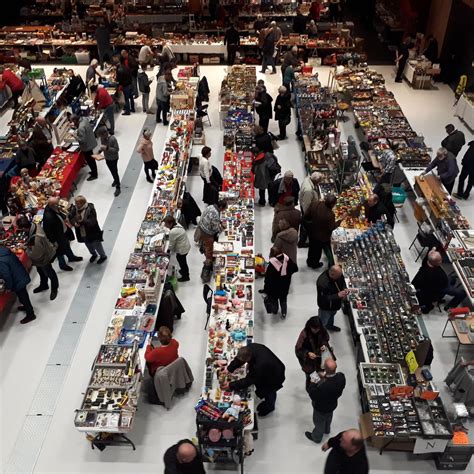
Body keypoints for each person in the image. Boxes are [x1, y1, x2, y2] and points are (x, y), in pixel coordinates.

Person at [225, 343, 286, 416]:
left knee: (269, 392)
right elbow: (240, 359)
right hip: (270, 365)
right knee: (265, 389)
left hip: (275, 376)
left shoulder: (258, 366)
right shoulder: (250, 347)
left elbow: (249, 380)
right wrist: (229, 369)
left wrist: (231, 385)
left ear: (249, 358)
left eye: (246, 361)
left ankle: (270, 407)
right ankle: (268, 403)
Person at [17, 215, 59, 301]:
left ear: (25, 228)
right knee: (41, 271)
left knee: (49, 273)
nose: (21, 231)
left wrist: (25, 249)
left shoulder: (36, 238)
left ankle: (54, 288)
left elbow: (36, 255)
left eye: (21, 229)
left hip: (43, 258)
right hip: (42, 252)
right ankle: (44, 285)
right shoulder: (34, 225)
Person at [305, 358, 346, 443]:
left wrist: (313, 383)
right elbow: (333, 379)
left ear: (325, 369)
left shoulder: (323, 387)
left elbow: (313, 395)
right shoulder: (341, 377)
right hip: (332, 405)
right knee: (328, 417)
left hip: (321, 408)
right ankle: (327, 430)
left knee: (319, 422)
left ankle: (316, 437)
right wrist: (326, 377)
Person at [43, 197, 83, 272]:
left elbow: (59, 213)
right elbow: (48, 231)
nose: (58, 205)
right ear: (52, 205)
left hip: (62, 232)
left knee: (67, 245)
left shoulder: (52, 208)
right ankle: (62, 265)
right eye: (56, 204)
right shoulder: (49, 217)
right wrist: (54, 241)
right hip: (57, 236)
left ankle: (71, 257)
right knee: (59, 251)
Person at [0, 246, 36, 324]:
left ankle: (31, 314)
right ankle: (26, 307)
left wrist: (8, 287)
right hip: (20, 274)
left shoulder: (1, 260)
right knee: (22, 295)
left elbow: (7, 275)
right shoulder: (5, 252)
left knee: (23, 296)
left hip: (17, 280)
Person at [261, 245, 298, 319]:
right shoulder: (287, 259)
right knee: (283, 300)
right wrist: (288, 274)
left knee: (274, 300)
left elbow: (268, 279)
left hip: (274, 288)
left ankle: (275, 311)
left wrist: (266, 289)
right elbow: (295, 268)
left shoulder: (272, 265)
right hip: (285, 286)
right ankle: (284, 313)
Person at [68, 195, 107, 264]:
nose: (76, 204)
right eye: (76, 203)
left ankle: (103, 256)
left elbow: (93, 221)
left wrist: (81, 222)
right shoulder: (75, 208)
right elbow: (71, 216)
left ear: (82, 203)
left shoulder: (90, 209)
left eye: (77, 203)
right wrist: (74, 222)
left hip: (92, 231)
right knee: (88, 244)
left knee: (96, 244)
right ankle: (93, 254)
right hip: (83, 232)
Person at [305, 194, 340, 268]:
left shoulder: (315, 204)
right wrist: (339, 221)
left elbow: (306, 215)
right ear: (331, 204)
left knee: (311, 248)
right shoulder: (330, 214)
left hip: (311, 231)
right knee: (317, 251)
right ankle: (315, 264)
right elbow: (331, 227)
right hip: (321, 236)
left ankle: (309, 261)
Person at [197, 200, 227, 282]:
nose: (223, 211)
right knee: (209, 252)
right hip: (207, 234)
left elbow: (209, 218)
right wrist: (223, 227)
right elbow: (215, 230)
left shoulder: (210, 206)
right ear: (221, 207)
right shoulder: (216, 214)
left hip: (202, 229)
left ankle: (208, 257)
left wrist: (219, 222)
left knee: (208, 248)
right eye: (223, 210)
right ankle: (207, 269)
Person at [295, 316, 330, 382]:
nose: (315, 331)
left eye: (317, 329)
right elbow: (298, 349)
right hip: (309, 363)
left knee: (321, 377)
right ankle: (311, 389)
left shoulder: (322, 330)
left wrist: (324, 345)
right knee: (311, 379)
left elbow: (326, 338)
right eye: (313, 328)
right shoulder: (304, 334)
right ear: (309, 326)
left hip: (320, 359)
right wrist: (307, 353)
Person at [316, 265, 348, 331]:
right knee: (323, 322)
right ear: (332, 274)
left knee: (332, 315)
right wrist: (337, 295)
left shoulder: (337, 275)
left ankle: (330, 326)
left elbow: (342, 281)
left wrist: (344, 288)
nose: (340, 277)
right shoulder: (322, 283)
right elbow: (323, 299)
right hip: (326, 307)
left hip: (334, 304)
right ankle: (320, 333)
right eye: (338, 276)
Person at [299, 172, 323, 247]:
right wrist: (310, 215)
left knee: (305, 225)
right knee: (305, 226)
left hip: (307, 206)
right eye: (319, 181)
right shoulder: (308, 190)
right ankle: (301, 242)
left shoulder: (308, 179)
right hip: (307, 210)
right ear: (316, 181)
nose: (320, 182)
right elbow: (307, 205)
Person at [71, 114, 98, 181]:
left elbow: (82, 140)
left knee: (90, 160)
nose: (72, 122)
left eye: (73, 121)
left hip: (87, 146)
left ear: (75, 120)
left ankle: (94, 175)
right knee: (92, 159)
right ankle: (94, 171)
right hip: (91, 141)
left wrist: (74, 136)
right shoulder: (84, 119)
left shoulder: (81, 127)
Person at [164, 215, 191, 282]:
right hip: (185, 246)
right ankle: (183, 271)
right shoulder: (178, 225)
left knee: (182, 262)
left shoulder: (173, 232)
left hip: (182, 250)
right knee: (181, 260)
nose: (165, 225)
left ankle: (186, 276)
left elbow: (172, 244)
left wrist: (168, 251)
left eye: (166, 224)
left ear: (170, 223)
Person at [97, 127, 121, 197]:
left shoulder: (113, 139)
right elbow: (102, 147)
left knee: (114, 171)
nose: (101, 138)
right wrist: (99, 151)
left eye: (101, 135)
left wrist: (107, 148)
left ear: (105, 133)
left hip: (114, 158)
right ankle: (115, 180)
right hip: (107, 158)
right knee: (111, 170)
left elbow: (116, 149)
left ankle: (118, 186)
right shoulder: (102, 138)